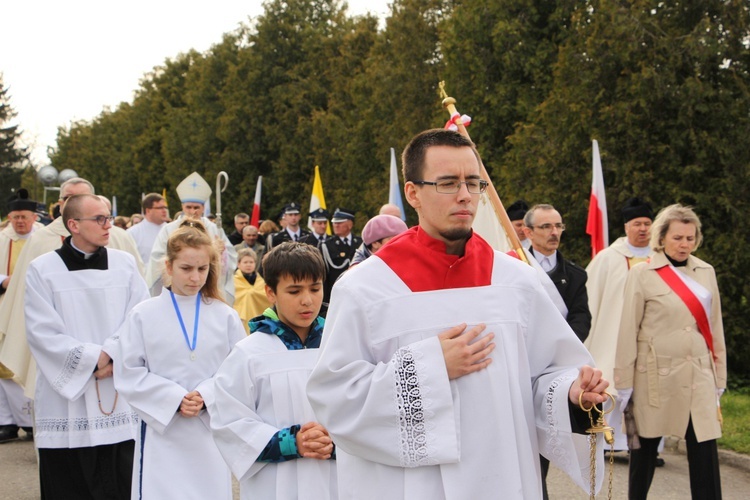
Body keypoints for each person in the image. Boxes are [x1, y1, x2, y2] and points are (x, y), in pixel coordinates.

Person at [306, 129, 609, 499]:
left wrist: (570, 393)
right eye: (448, 183)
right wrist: (429, 367)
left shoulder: (516, 282)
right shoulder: (366, 288)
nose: (465, 195)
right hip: (409, 486)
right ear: (412, 192)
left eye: (474, 182)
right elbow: (336, 397)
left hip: (502, 479)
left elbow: (543, 375)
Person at [24, 194, 149, 499]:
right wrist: (97, 359)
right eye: (100, 219)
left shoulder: (125, 264)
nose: (109, 225)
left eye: (108, 217)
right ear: (73, 225)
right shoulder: (42, 269)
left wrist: (112, 356)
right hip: (67, 402)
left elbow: (141, 317)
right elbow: (42, 332)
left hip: (117, 394)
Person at [114, 219, 244, 499]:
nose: (195, 278)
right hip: (163, 432)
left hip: (208, 430)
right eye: (186, 268)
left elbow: (238, 370)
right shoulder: (143, 314)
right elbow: (129, 372)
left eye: (202, 269)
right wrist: (174, 398)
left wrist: (206, 394)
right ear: (169, 266)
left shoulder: (225, 316)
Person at [210, 242, 337, 500]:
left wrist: (336, 440)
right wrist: (293, 442)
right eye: (294, 291)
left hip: (338, 480)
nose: (307, 300)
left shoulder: (339, 345)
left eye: (315, 288)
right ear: (271, 292)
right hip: (276, 486)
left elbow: (367, 406)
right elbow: (229, 423)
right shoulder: (249, 354)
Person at [614, 204, 725, 500]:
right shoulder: (642, 274)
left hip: (698, 376)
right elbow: (628, 331)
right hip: (654, 379)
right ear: (661, 238)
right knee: (645, 455)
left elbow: (715, 329)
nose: (684, 244)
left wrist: (720, 377)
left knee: (704, 454)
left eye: (690, 238)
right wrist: (623, 382)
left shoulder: (705, 272)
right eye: (678, 238)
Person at [0, 178, 143, 402]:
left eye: (78, 198)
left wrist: (114, 355)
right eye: (67, 199)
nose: (70, 203)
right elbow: (33, 312)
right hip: (60, 363)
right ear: (60, 203)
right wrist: (90, 359)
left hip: (117, 367)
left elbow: (138, 307)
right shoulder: (40, 241)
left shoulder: (119, 240)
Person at [585, 197, 654, 453]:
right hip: (613, 336)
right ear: (626, 227)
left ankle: (647, 446)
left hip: (648, 337)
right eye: (637, 223)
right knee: (613, 387)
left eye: (648, 223)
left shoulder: (660, 258)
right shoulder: (608, 258)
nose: (643, 229)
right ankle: (608, 443)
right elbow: (590, 297)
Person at [145, 172, 236, 302]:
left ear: (203, 207)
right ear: (182, 206)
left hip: (206, 292)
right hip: (175, 292)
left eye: (196, 207)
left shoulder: (213, 229)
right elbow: (157, 260)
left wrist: (220, 253)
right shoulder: (169, 229)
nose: (193, 211)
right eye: (189, 207)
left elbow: (231, 259)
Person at [0, 189, 40, 443]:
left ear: (34, 217)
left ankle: (32, 421)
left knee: (30, 360)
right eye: (15, 217)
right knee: (4, 364)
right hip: (4, 305)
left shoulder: (43, 239)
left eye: (24, 217)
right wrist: (6, 281)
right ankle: (7, 421)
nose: (19, 222)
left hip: (32, 308)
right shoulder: (2, 238)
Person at [524, 204, 591, 342]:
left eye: (559, 226)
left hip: (563, 351)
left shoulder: (576, 275)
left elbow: (580, 317)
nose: (554, 232)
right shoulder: (518, 268)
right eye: (546, 226)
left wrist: (566, 345)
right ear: (529, 232)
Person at [319, 208, 361, 316]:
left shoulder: (361, 243)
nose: (335, 225)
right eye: (334, 223)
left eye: (340, 222)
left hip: (359, 294)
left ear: (350, 224)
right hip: (335, 296)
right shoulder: (326, 246)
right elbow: (323, 276)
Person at [233, 248, 271, 334]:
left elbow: (266, 298)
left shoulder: (261, 281)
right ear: (238, 264)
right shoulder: (234, 281)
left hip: (259, 318)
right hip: (241, 320)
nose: (248, 265)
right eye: (245, 262)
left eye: (251, 262)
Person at [127, 193, 169, 264]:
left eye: (165, 207)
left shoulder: (172, 230)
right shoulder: (133, 233)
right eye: (160, 208)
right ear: (148, 211)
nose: (164, 211)